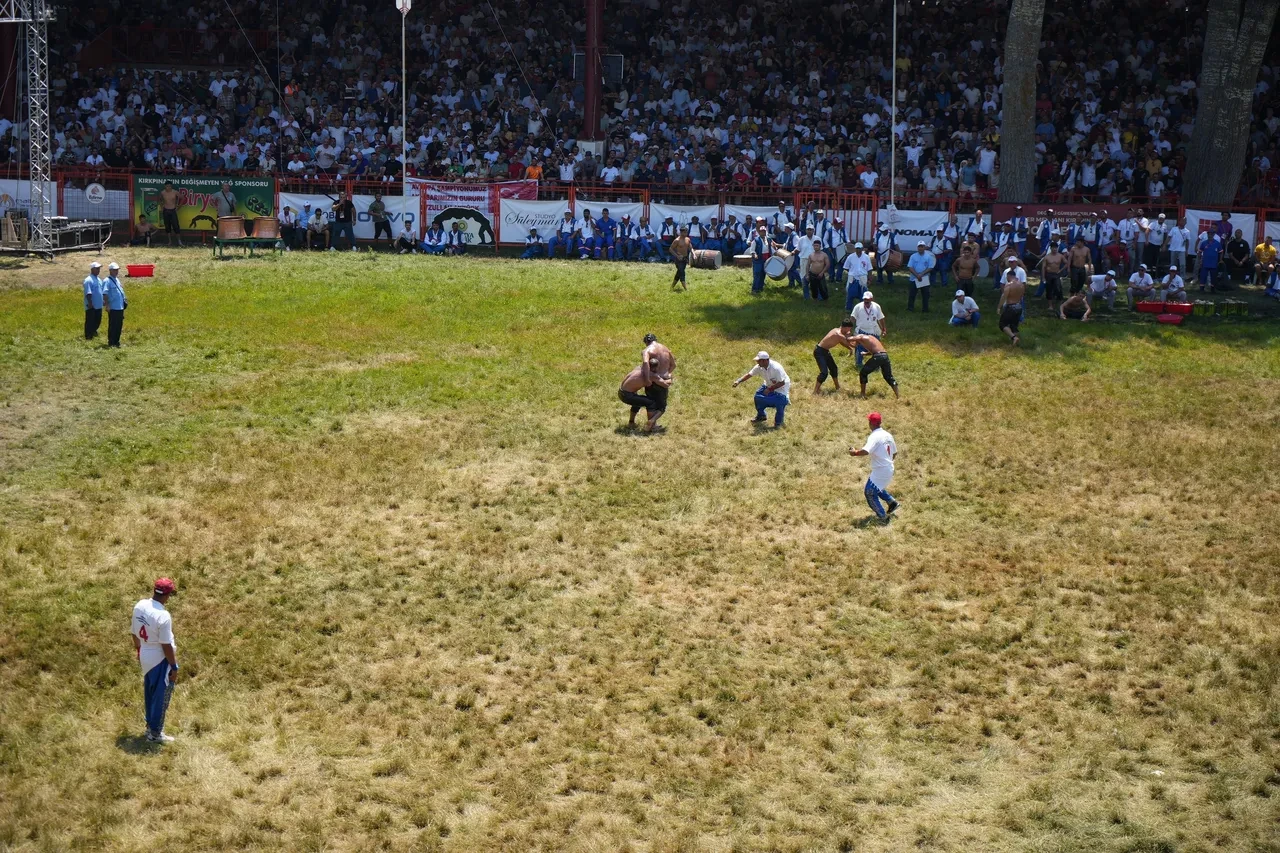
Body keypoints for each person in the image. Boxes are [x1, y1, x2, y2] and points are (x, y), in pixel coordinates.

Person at [131, 577, 179, 744]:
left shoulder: (139, 606)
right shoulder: (163, 616)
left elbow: (134, 633)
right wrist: (174, 666)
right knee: (161, 696)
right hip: (160, 658)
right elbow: (166, 645)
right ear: (167, 595)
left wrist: (139, 650)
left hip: (145, 653)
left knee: (150, 694)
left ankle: (149, 727)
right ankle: (156, 733)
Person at [849, 411, 898, 522]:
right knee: (876, 487)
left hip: (881, 470)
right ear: (879, 422)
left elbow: (866, 451)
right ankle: (892, 502)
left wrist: (854, 452)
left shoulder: (874, 436)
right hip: (889, 467)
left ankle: (883, 517)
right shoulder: (888, 435)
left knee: (869, 492)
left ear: (870, 423)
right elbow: (895, 453)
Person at [733, 351, 790, 427]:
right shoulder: (759, 367)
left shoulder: (776, 368)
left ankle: (778, 423)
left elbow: (782, 383)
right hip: (768, 384)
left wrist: (770, 389)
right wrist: (738, 381)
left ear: (765, 360)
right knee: (758, 397)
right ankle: (761, 416)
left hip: (781, 388)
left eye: (758, 360)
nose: (757, 362)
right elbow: (749, 374)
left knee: (779, 403)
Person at [813, 319, 857, 393]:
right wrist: (859, 343)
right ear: (846, 327)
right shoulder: (839, 334)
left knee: (834, 368)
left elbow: (841, 342)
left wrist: (850, 349)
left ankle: (837, 387)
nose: (850, 330)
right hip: (819, 352)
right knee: (824, 373)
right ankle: (815, 391)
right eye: (849, 328)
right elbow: (850, 343)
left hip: (825, 351)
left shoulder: (837, 330)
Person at [851, 333, 899, 398]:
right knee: (888, 376)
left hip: (878, 357)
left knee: (863, 373)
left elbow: (849, 338)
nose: (855, 345)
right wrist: (866, 353)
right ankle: (898, 396)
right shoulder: (872, 339)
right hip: (885, 356)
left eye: (855, 343)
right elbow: (876, 350)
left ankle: (862, 394)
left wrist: (845, 336)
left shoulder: (862, 338)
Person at [851, 291, 886, 368]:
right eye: (864, 300)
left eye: (868, 300)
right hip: (862, 331)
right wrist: (849, 328)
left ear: (871, 299)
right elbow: (853, 318)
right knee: (859, 348)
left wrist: (884, 329)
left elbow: (881, 318)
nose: (866, 301)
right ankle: (859, 364)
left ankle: (877, 365)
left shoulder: (876, 306)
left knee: (877, 349)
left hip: (874, 331)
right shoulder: (858, 307)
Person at [842, 242, 873, 312]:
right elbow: (846, 267)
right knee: (850, 293)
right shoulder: (850, 257)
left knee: (863, 293)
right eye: (857, 249)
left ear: (862, 249)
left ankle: (863, 308)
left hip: (863, 276)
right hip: (852, 276)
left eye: (859, 248)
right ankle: (848, 308)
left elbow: (869, 269)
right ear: (855, 249)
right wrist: (852, 272)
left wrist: (870, 279)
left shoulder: (866, 257)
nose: (858, 250)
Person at [997, 269, 1025, 346]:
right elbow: (1022, 295)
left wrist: (999, 307)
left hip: (1011, 307)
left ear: (1009, 276)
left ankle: (1014, 338)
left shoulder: (1009, 285)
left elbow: (1004, 296)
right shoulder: (1021, 285)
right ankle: (1015, 342)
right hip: (1019, 306)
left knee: (1002, 324)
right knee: (1014, 325)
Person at [906, 241, 935, 312]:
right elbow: (910, 267)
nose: (920, 248)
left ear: (924, 247)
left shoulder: (928, 257)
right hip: (914, 278)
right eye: (919, 246)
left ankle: (925, 309)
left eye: (922, 246)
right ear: (917, 247)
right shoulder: (913, 256)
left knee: (925, 295)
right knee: (912, 294)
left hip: (924, 278)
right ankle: (910, 308)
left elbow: (930, 267)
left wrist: (921, 274)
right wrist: (917, 275)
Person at [1038, 241, 1067, 311]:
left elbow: (1067, 263)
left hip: (1056, 274)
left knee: (1058, 289)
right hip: (1049, 274)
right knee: (1049, 290)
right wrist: (1043, 277)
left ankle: (1060, 304)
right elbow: (1043, 268)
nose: (1055, 249)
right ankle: (1050, 305)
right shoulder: (1047, 257)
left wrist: (1061, 270)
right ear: (1050, 248)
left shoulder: (1060, 256)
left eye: (1056, 248)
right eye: (1053, 248)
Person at [103, 262, 126, 347]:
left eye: (117, 270)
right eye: (114, 270)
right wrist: (107, 305)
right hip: (113, 307)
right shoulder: (107, 281)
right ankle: (111, 342)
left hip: (120, 307)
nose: (116, 272)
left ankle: (117, 341)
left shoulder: (117, 280)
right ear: (110, 270)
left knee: (119, 325)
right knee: (113, 325)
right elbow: (105, 293)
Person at [83, 261, 104, 340]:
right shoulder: (88, 280)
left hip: (99, 304)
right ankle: (88, 336)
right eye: (97, 269)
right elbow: (88, 293)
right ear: (92, 269)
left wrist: (103, 301)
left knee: (98, 320)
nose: (98, 270)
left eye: (99, 269)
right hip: (92, 305)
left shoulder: (99, 279)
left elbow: (101, 291)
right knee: (90, 321)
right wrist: (90, 303)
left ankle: (94, 331)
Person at [160, 181, 182, 247]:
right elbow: (160, 199)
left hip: (173, 210)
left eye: (169, 186)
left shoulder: (175, 192)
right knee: (167, 226)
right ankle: (169, 242)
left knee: (176, 226)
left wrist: (179, 206)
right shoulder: (162, 192)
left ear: (171, 186)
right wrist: (161, 206)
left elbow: (183, 198)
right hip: (166, 210)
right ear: (165, 186)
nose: (168, 187)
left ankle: (179, 242)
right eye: (167, 186)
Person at [670, 226, 692, 291]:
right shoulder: (677, 240)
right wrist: (677, 256)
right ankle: (686, 289)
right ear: (681, 232)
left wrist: (693, 254)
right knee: (682, 272)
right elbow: (670, 249)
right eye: (685, 232)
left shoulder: (687, 239)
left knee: (679, 273)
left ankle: (672, 286)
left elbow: (690, 247)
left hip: (684, 259)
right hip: (678, 260)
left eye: (686, 232)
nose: (686, 234)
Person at [749, 225, 770, 294]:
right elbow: (752, 250)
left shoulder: (768, 239)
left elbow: (771, 248)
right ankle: (754, 289)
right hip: (758, 259)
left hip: (766, 259)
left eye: (764, 231)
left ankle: (760, 288)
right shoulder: (756, 240)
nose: (763, 233)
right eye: (761, 231)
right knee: (757, 274)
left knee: (763, 274)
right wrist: (754, 254)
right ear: (759, 232)